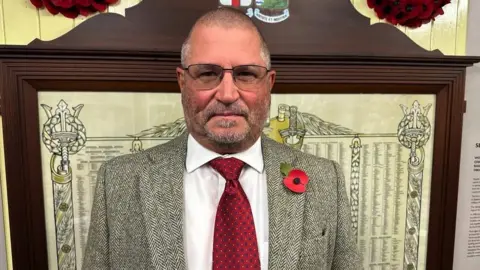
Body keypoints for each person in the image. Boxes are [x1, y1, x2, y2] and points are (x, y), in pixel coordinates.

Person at [82, 6, 361, 270]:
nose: (227, 94)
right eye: (207, 74)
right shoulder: (118, 182)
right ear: (182, 82)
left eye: (246, 74)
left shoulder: (325, 180)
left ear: (269, 84)